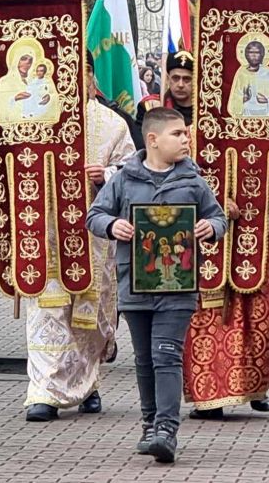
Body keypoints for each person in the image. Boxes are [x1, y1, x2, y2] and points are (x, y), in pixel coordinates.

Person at [86, 107, 226, 463]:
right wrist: (111, 226)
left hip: (179, 284)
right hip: (135, 283)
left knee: (167, 354)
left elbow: (217, 216)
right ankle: (149, 423)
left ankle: (167, 429)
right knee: (145, 358)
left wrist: (211, 229)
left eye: (185, 133)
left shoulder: (193, 181)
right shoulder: (123, 179)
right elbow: (95, 215)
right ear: (153, 140)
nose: (185, 139)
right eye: (177, 134)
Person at [22, 58, 136, 422]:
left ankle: (88, 382)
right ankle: (44, 390)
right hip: (47, 230)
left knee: (91, 314)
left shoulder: (111, 123)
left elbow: (131, 169)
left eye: (80, 73)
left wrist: (106, 174)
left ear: (89, 76)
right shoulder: (36, 117)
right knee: (48, 308)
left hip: (93, 233)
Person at [226, 38, 269, 118]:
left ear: (262, 54)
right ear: (246, 54)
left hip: (265, 112)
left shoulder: (268, 73)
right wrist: (243, 99)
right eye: (251, 52)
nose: (254, 55)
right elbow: (234, 100)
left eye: (257, 52)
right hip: (246, 112)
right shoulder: (241, 73)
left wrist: (267, 100)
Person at [161, 51, 194, 126]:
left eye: (187, 79)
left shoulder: (206, 110)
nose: (180, 85)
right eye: (175, 78)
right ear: (168, 79)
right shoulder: (152, 106)